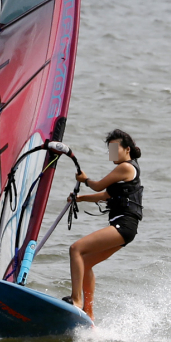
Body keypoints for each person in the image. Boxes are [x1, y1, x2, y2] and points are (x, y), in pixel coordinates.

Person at [66, 130, 143, 319]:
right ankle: (89, 313)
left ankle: (77, 300)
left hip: (123, 225)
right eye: (111, 149)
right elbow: (106, 195)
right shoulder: (126, 172)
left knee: (76, 249)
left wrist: (85, 180)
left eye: (116, 148)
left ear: (127, 149)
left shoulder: (126, 167)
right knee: (84, 263)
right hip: (126, 227)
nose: (113, 153)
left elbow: (98, 186)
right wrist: (80, 198)